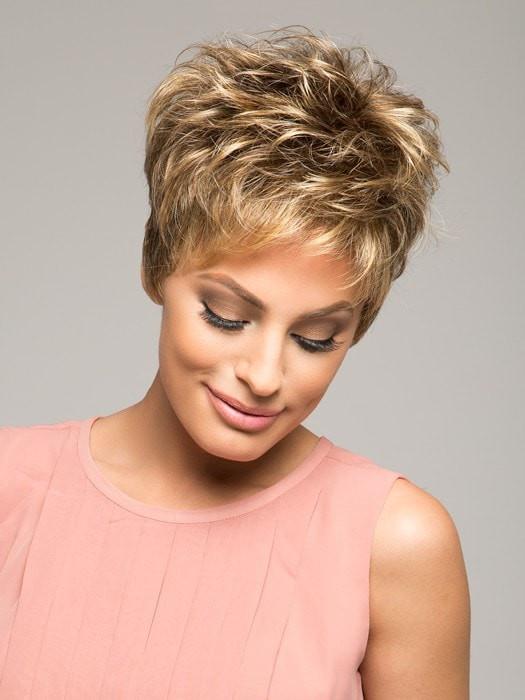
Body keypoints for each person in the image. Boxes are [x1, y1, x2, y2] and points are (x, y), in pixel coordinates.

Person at [0, 25, 470, 699]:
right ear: (156, 266)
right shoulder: (11, 488)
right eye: (226, 316)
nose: (264, 375)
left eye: (316, 338)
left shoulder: (393, 543)